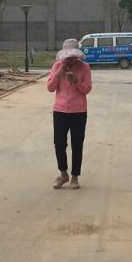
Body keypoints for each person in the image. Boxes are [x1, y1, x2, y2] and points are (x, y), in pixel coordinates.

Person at [46, 38, 92, 190]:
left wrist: (76, 81)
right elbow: (50, 88)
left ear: (77, 56)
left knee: (77, 144)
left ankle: (75, 177)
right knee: (59, 144)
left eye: (73, 57)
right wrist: (58, 75)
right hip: (60, 111)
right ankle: (63, 173)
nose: (70, 60)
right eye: (68, 57)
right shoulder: (57, 66)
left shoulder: (85, 67)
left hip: (79, 111)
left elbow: (87, 89)